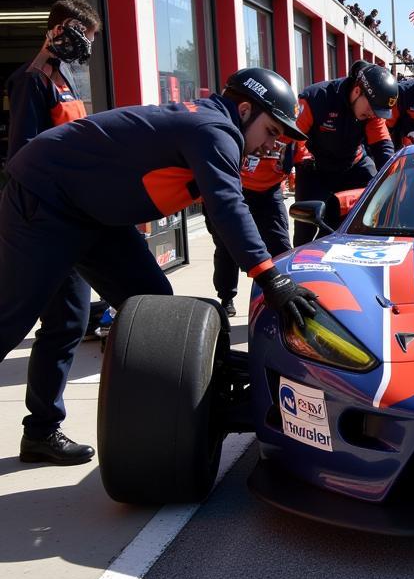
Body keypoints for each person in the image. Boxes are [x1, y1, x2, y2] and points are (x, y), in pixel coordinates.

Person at [0, 67, 316, 464]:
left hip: (93, 215)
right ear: (246, 108)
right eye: (271, 131)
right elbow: (227, 208)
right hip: (45, 199)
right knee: (14, 319)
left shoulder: (214, 126)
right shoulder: (214, 130)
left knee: (154, 310)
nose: (271, 145)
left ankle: (44, 434)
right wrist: (271, 278)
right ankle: (45, 428)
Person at [4, 0, 98, 464]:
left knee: (67, 325)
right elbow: (23, 158)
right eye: (85, 34)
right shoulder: (32, 80)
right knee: (9, 321)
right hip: (39, 223)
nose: (90, 45)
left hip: (73, 219)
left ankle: (41, 432)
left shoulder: (66, 79)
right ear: (61, 30)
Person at [292, 62, 398, 247]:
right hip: (315, 168)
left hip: (353, 166)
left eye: (377, 112)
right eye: (372, 109)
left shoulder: (372, 111)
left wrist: (395, 178)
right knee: (305, 228)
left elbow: (383, 147)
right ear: (357, 91)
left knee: (377, 199)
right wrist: (301, 163)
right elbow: (294, 138)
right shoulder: (316, 97)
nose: (373, 114)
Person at [205, 137, 295, 316]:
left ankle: (287, 292)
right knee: (227, 247)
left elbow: (303, 155)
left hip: (269, 191)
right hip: (236, 189)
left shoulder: (291, 130)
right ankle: (226, 297)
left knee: (280, 245)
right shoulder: (243, 126)